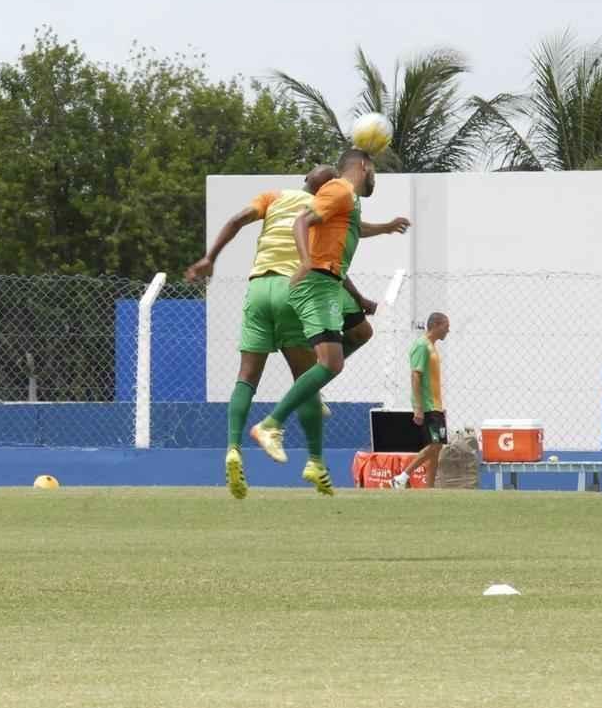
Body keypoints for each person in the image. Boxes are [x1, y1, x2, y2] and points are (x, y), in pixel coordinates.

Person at [187, 165, 407, 498]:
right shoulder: (321, 209)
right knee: (309, 375)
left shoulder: (273, 198)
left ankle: (233, 447)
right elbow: (331, 262)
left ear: (305, 178)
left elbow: (235, 220)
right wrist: (361, 298)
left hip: (259, 288)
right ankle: (315, 461)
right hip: (296, 287)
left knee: (246, 376)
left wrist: (210, 257)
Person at [249, 148, 376, 464]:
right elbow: (302, 221)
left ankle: (308, 389)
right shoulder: (340, 188)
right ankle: (271, 424)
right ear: (363, 166)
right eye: (374, 170)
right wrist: (305, 261)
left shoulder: (349, 200)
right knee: (330, 363)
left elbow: (353, 229)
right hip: (317, 282)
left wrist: (387, 227)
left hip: (330, 283)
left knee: (356, 337)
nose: (375, 177)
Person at [392, 312, 450, 489]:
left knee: (437, 448)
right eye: (446, 326)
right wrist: (418, 406)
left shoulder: (432, 346)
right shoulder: (421, 346)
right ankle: (401, 477)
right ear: (436, 325)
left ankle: (429, 487)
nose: (448, 330)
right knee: (434, 444)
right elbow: (415, 376)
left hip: (437, 405)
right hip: (427, 405)